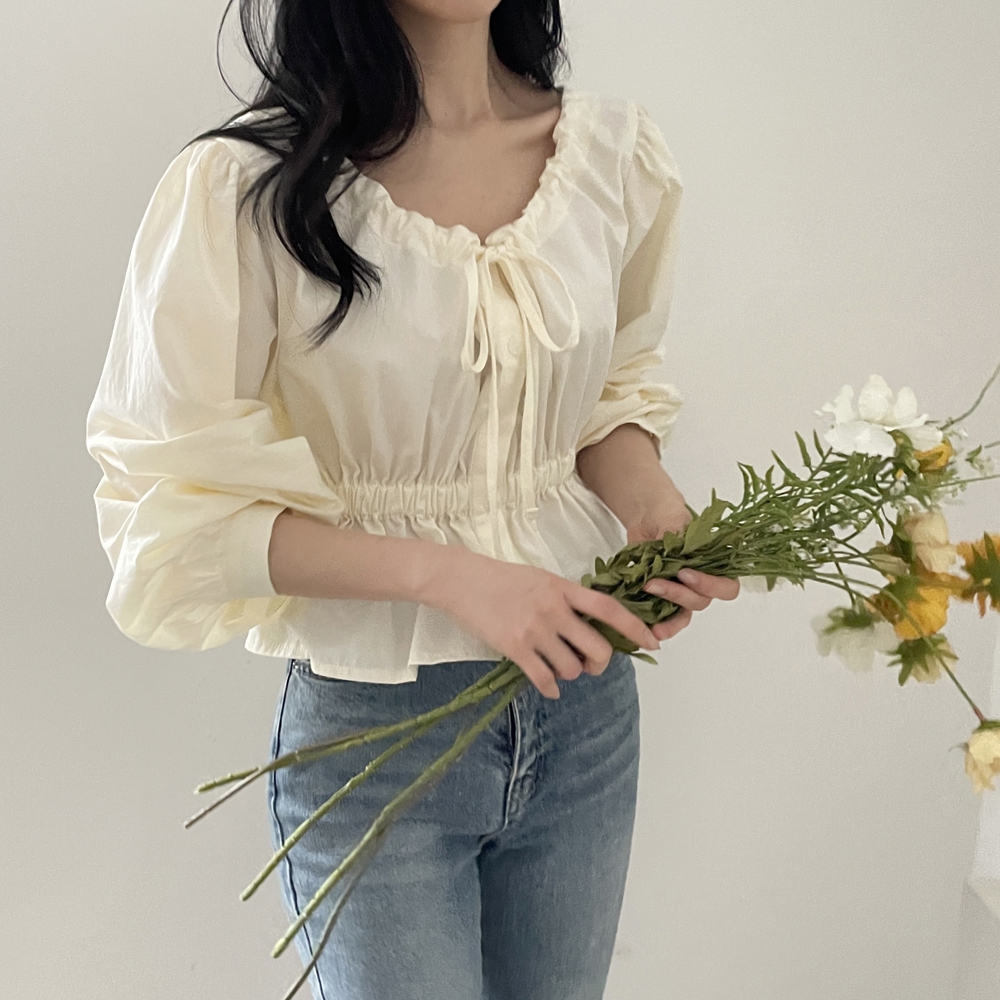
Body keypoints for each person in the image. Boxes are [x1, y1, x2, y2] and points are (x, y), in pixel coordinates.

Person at [85, 1, 740, 997]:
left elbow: (608, 391)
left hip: (585, 709)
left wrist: (649, 500)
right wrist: (453, 576)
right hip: (376, 733)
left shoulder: (609, 156)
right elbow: (171, 510)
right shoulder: (245, 187)